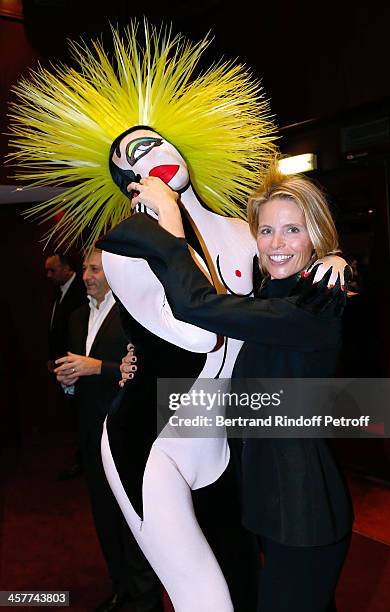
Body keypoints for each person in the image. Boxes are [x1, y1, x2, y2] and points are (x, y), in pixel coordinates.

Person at [9, 21, 349, 611]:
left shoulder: (246, 233)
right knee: (205, 601)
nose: (151, 157)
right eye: (132, 158)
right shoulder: (123, 245)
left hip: (229, 439)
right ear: (126, 182)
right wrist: (163, 221)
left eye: (154, 143)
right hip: (153, 436)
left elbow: (289, 285)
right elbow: (196, 330)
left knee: (247, 594)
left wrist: (335, 259)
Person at [99, 163, 354, 612]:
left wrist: (170, 222)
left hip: (303, 513)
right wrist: (141, 370)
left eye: (293, 230)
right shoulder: (273, 296)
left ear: (315, 234)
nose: (276, 244)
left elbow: (195, 305)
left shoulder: (314, 304)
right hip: (269, 506)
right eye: (267, 230)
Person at [54, 248, 163, 612]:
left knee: (132, 518)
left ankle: (146, 598)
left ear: (113, 273)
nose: (87, 275)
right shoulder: (76, 317)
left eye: (95, 268)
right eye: (85, 268)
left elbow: (145, 374)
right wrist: (68, 379)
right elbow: (78, 370)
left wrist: (95, 367)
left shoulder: (133, 314)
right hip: (88, 430)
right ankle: (121, 589)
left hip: (126, 433)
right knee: (103, 516)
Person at [45, 252, 87, 479]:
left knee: (81, 414)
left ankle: (84, 460)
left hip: (78, 365)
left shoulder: (81, 291)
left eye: (52, 269)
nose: (48, 275)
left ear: (66, 268)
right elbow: (55, 329)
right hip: (62, 364)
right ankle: (81, 457)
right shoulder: (58, 293)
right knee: (73, 415)